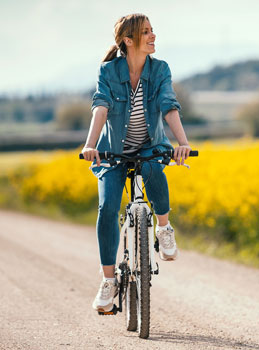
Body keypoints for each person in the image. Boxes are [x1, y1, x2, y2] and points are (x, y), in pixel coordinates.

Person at [81, 13, 192, 313]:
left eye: (153, 30)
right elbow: (100, 107)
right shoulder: (108, 71)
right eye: (146, 32)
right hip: (112, 154)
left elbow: (169, 107)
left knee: (155, 167)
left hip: (148, 148)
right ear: (128, 40)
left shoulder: (160, 70)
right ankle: (108, 282)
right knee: (107, 208)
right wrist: (91, 145)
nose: (153, 36)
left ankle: (164, 229)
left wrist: (183, 143)